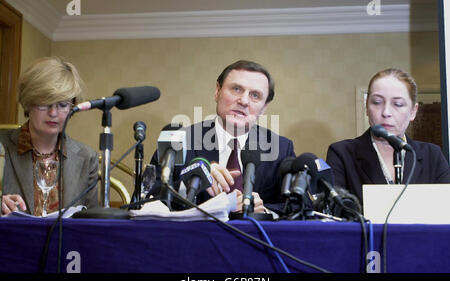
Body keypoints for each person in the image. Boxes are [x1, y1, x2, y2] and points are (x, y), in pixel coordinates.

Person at [148, 60, 296, 214]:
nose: (244, 101)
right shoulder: (178, 140)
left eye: (255, 95)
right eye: (237, 89)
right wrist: (192, 182)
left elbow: (300, 205)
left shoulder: (281, 148)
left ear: (264, 108)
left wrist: (264, 211)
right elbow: (145, 197)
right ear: (217, 91)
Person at [326, 68, 450, 204]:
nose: (386, 112)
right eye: (377, 102)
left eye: (398, 104)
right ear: (367, 107)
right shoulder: (342, 154)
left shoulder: (432, 156)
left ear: (413, 112)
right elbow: (335, 215)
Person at [0, 56, 99, 216]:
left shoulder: (87, 158)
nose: (53, 113)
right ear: (28, 102)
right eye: (44, 103)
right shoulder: (2, 145)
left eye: (62, 105)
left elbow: (92, 223)